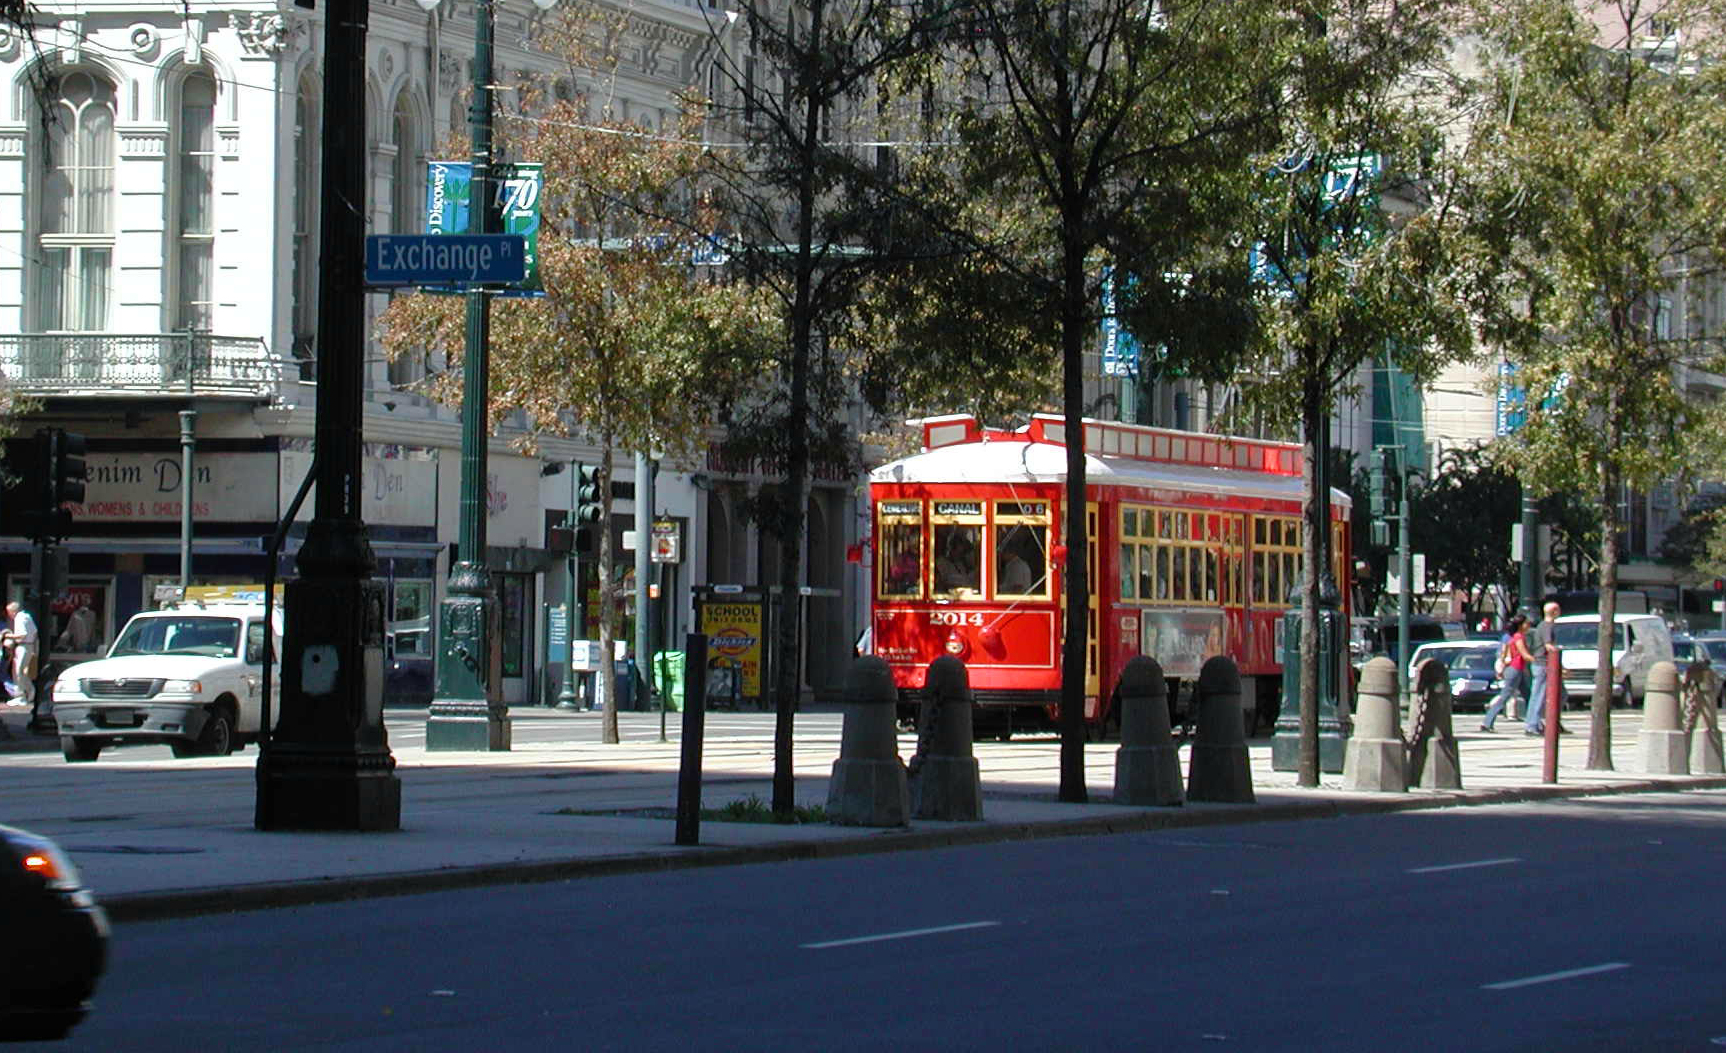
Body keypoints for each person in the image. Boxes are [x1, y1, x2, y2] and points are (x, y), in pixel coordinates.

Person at [1480, 614, 1530, 732]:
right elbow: (1523, 655)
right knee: (1505, 696)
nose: (1529, 625)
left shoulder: (1515, 636)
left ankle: (1534, 721)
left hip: (1517, 669)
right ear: (1521, 625)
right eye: (1526, 623)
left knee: (1529, 696)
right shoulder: (1518, 637)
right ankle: (1487, 722)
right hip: (1515, 669)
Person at [1523, 600, 1561, 736]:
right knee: (1539, 695)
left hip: (1539, 664)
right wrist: (1558, 651)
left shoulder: (1541, 625)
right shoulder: (1547, 626)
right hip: (1543, 664)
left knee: (1541, 694)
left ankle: (1538, 723)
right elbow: (1548, 645)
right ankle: (1532, 725)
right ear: (1555, 612)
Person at [3, 601, 38, 706]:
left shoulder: (19, 618)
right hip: (28, 646)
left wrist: (8, 636)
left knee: (18, 672)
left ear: (13, 611)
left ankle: (22, 696)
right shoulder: (27, 616)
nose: (9, 615)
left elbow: (22, 634)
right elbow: (34, 632)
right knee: (20, 671)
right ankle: (28, 691)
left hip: (23, 646)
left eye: (9, 612)